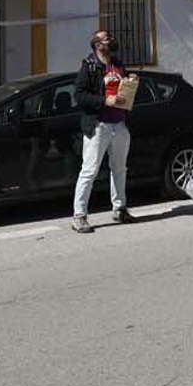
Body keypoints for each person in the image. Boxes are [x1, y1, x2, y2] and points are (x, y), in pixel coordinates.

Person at [71, 30, 135, 234]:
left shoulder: (118, 64)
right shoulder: (89, 66)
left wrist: (131, 82)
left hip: (119, 123)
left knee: (120, 168)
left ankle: (120, 209)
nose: (112, 40)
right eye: (107, 38)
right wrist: (104, 100)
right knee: (89, 171)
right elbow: (79, 96)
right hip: (98, 125)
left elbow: (123, 89)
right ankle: (79, 216)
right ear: (98, 45)